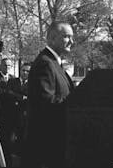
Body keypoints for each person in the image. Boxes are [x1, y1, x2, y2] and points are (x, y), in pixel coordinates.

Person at [26, 21, 75, 168]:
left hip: (58, 142)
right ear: (52, 38)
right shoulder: (45, 63)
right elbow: (46, 102)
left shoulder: (55, 63)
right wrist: (74, 104)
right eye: (67, 37)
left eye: (72, 37)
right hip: (48, 144)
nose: (71, 41)